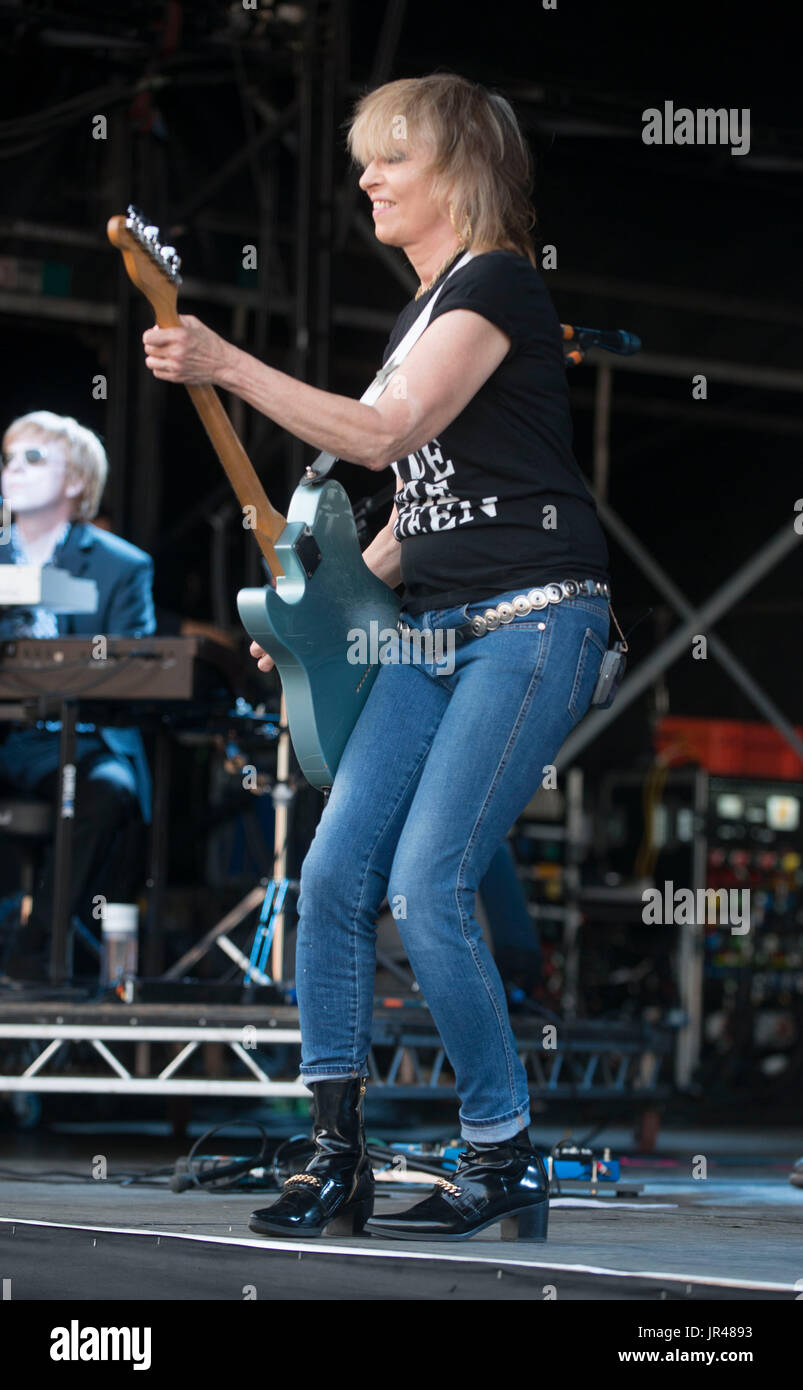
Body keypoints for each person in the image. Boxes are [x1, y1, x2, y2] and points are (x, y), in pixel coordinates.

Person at [141, 73, 612, 1242]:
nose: (365, 176)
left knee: (428, 881)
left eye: (388, 156)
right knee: (334, 880)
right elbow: (414, 516)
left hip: (534, 618)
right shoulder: (420, 313)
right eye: (363, 157)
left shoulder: (496, 282)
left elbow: (385, 434)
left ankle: (503, 1153)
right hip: (428, 631)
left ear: (453, 167)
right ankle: (335, 1155)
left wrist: (228, 365)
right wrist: (320, 615)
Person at [0, 411, 155, 979]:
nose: (13, 470)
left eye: (32, 458)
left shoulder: (121, 566)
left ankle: (34, 950)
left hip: (77, 740)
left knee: (107, 787)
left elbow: (135, 671)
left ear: (74, 482)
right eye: (9, 457)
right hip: (7, 733)